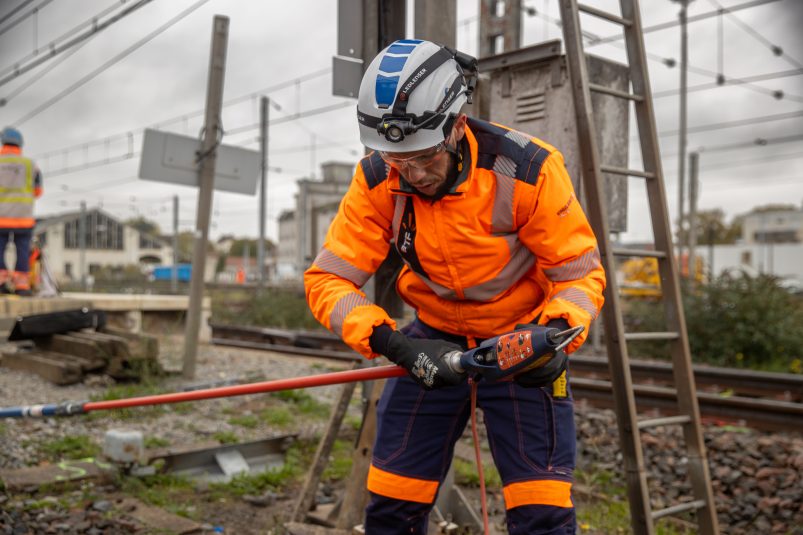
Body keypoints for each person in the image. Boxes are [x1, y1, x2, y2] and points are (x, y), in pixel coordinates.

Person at [304, 39, 605, 534]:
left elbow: (578, 274)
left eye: (424, 156)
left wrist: (554, 336)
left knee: (543, 513)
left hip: (519, 345)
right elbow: (329, 279)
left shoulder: (528, 170)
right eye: (400, 161)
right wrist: (393, 343)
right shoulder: (378, 179)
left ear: (457, 125)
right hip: (431, 340)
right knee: (392, 505)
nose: (415, 175)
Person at [0, 127, 43, 296]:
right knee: (23, 250)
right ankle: (22, 287)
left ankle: (1, 284)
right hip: (23, 217)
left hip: (1, 217)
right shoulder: (30, 165)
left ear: (3, 141)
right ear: (20, 144)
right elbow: (38, 191)